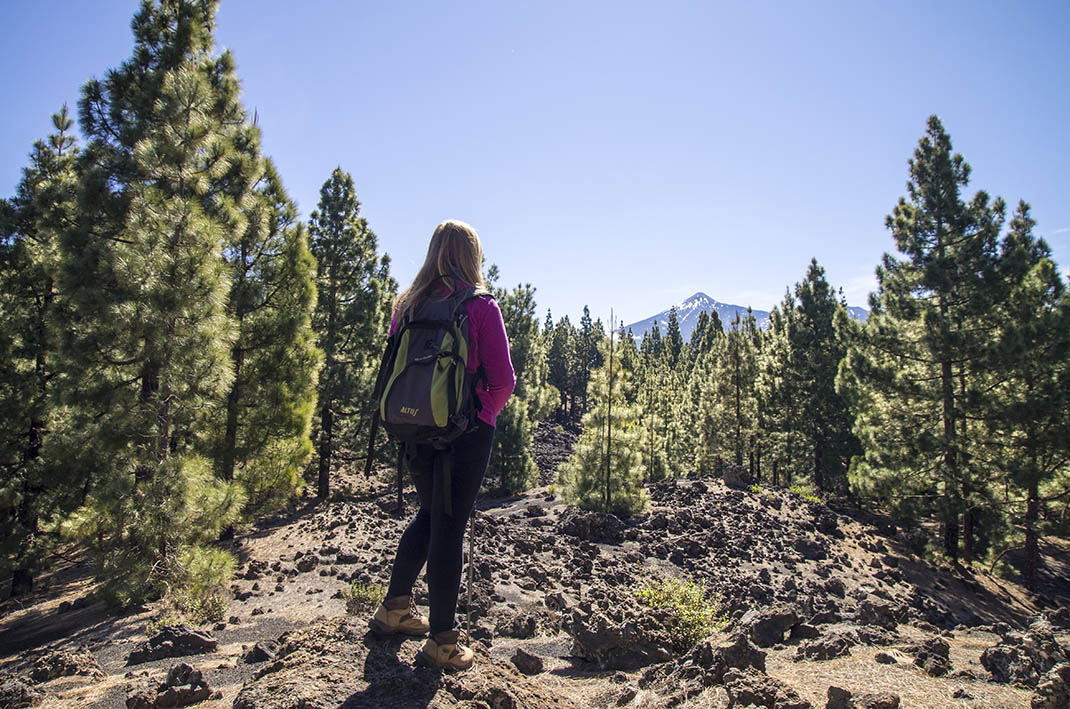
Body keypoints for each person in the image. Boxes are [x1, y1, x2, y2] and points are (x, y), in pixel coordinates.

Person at [369, 219, 515, 671]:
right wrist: (481, 412)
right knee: (451, 524)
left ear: (433, 253)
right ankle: (443, 642)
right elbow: (503, 380)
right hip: (464, 433)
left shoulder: (407, 305)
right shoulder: (480, 307)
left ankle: (394, 608)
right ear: (472, 256)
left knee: (430, 515)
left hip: (412, 429)